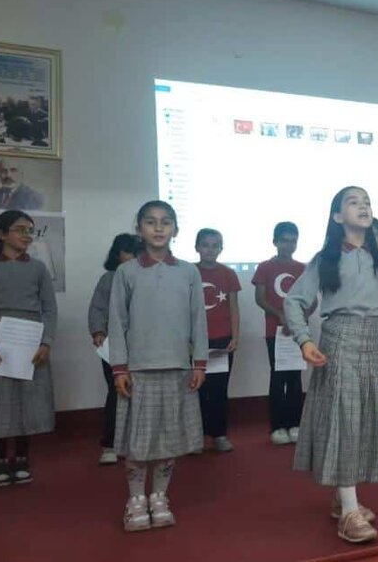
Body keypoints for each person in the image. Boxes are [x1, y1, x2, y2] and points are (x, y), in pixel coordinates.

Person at [284, 186, 378, 544]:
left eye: (367, 201)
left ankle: (342, 498)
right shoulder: (326, 259)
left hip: (371, 343)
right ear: (337, 217)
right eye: (353, 202)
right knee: (344, 423)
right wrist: (304, 340)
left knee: (362, 421)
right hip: (339, 340)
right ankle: (349, 512)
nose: (363, 206)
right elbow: (294, 301)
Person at [108, 200, 208, 532]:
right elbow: (116, 322)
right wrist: (120, 368)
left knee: (170, 438)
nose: (159, 227)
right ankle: (135, 498)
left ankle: (159, 496)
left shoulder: (189, 272)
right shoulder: (126, 272)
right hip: (139, 370)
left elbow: (198, 321)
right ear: (139, 228)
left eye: (166, 222)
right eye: (150, 222)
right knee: (139, 440)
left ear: (176, 230)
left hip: (178, 368)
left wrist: (199, 364)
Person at [0, 210, 57, 487]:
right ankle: (0, 459)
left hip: (29, 338)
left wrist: (46, 342)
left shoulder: (39, 268)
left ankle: (22, 456)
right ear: (2, 234)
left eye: (30, 230)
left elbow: (50, 309)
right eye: (19, 230)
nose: (26, 235)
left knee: (25, 399)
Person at [88, 233, 142, 465]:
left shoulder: (147, 276)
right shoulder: (108, 278)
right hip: (113, 347)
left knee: (142, 394)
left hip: (143, 346)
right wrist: (98, 331)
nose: (130, 255)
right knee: (116, 392)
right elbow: (97, 308)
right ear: (116, 254)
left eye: (135, 250)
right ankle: (109, 445)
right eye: (126, 250)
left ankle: (136, 442)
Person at [252, 221, 306, 445]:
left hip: (298, 332)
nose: (289, 245)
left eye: (293, 240)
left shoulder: (303, 268)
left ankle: (295, 424)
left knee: (295, 378)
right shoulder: (265, 266)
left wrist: (297, 319)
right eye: (284, 240)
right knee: (278, 376)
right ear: (275, 242)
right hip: (275, 332)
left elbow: (309, 299)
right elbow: (260, 298)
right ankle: (277, 426)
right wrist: (280, 315)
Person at [194, 228, 241, 453]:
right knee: (197, 389)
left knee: (219, 390)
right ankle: (198, 436)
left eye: (215, 245)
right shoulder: (189, 272)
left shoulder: (228, 274)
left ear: (221, 249)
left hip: (222, 339)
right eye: (206, 245)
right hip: (195, 340)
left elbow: (233, 306)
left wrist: (236, 335)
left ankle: (219, 434)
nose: (210, 249)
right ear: (197, 247)